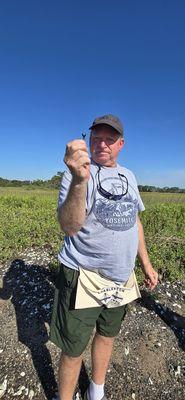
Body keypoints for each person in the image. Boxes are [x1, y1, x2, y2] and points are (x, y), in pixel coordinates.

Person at [50, 114, 158, 400]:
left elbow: (135, 221)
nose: (102, 144)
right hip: (83, 275)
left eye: (109, 139)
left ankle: (96, 390)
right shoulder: (77, 175)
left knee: (107, 336)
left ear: (120, 144)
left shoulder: (129, 176)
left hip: (122, 277)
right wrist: (78, 180)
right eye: (96, 138)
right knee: (73, 348)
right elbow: (70, 226)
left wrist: (145, 263)